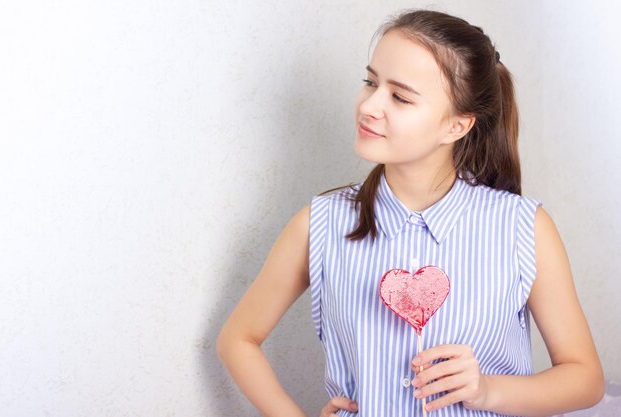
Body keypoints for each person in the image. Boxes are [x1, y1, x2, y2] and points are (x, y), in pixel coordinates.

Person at [216, 8, 604, 417]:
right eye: (370, 82)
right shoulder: (320, 224)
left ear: (456, 126)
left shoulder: (525, 228)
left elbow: (585, 379)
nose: (370, 106)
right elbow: (237, 339)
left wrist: (487, 391)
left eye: (400, 97)